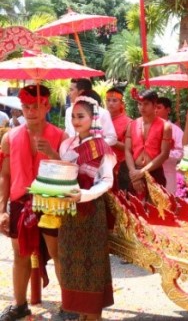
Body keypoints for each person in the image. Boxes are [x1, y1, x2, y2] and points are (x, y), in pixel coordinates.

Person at [0, 85, 67, 321]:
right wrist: (2, 209)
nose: (31, 111)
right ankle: (19, 305)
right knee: (20, 255)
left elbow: (71, 171)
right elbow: (5, 176)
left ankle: (68, 305)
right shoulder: (9, 137)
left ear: (46, 106)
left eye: (36, 106)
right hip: (20, 202)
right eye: (26, 107)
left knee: (58, 253)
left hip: (50, 201)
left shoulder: (60, 136)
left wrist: (53, 153)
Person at [59, 96, 115, 320]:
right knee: (70, 265)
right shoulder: (67, 145)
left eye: (80, 116)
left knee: (91, 270)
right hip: (69, 213)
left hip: (92, 213)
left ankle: (92, 316)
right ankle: (81, 315)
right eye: (73, 116)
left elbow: (107, 181)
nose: (75, 120)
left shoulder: (103, 147)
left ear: (93, 119)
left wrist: (85, 195)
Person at [125, 89, 172, 196]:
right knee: (134, 210)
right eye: (139, 104)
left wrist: (142, 172)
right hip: (135, 171)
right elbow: (127, 150)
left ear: (155, 105)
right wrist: (134, 173)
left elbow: (164, 154)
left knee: (155, 211)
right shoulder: (132, 125)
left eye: (146, 104)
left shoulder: (165, 126)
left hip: (154, 172)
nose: (142, 107)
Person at [65, 79, 117, 147]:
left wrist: (93, 146)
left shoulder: (102, 112)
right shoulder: (69, 111)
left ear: (81, 92)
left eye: (71, 90)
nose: (69, 93)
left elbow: (112, 138)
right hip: (72, 154)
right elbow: (68, 132)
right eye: (73, 117)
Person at [105, 87, 132, 192]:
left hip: (121, 167)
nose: (111, 103)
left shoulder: (128, 122)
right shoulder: (100, 119)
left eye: (114, 100)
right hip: (102, 165)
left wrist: (112, 141)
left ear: (122, 103)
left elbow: (129, 148)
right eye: (108, 100)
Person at [155, 97, 183, 194]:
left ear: (168, 110)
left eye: (158, 107)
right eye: (154, 107)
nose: (155, 110)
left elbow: (181, 153)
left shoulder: (176, 130)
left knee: (168, 203)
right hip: (149, 173)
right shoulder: (145, 128)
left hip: (168, 174)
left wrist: (163, 153)